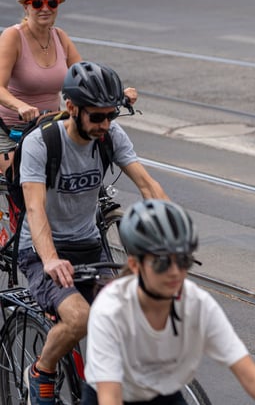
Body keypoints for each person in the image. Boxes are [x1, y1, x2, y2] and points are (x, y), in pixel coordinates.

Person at [18, 61, 168, 405]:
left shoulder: (111, 136)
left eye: (110, 116)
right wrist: (51, 259)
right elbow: (35, 208)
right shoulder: (41, 144)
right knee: (81, 318)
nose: (105, 125)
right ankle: (41, 371)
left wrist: (173, 237)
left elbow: (148, 185)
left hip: (88, 247)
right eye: (96, 117)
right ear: (71, 108)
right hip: (42, 252)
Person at [82, 199, 255, 405]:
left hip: (163, 394)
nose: (175, 272)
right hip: (112, 394)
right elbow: (110, 396)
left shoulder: (196, 304)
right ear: (135, 265)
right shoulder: (111, 309)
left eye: (183, 261)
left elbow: (249, 375)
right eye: (162, 262)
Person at [0, 0, 135, 171]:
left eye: (52, 3)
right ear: (26, 7)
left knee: (75, 173)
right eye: (37, 3)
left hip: (48, 126)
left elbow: (86, 77)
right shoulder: (13, 36)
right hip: (10, 129)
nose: (45, 8)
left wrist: (118, 94)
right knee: (22, 183)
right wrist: (20, 106)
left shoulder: (60, 37)